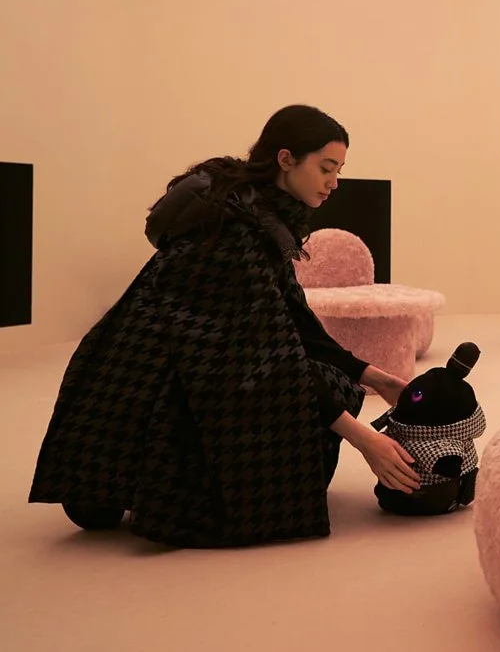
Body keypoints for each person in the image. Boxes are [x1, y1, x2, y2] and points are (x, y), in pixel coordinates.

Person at [28, 105, 420, 548]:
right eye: (326, 168)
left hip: (199, 355)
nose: (335, 182)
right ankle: (132, 481)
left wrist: (371, 375)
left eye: (339, 170)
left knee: (332, 382)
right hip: (163, 372)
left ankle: (118, 485)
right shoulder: (234, 231)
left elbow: (292, 319)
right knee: (306, 396)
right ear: (286, 159)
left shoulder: (261, 213)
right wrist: (364, 439)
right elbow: (269, 355)